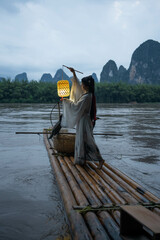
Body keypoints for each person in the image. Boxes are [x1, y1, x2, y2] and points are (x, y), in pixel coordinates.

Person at [61, 67, 104, 169]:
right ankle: (82, 160)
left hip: (84, 121)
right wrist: (74, 73)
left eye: (82, 83)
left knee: (88, 140)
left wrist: (66, 101)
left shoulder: (87, 97)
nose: (81, 85)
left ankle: (100, 159)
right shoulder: (87, 95)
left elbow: (76, 106)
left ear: (85, 85)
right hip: (83, 120)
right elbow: (77, 89)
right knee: (82, 140)